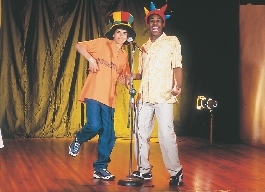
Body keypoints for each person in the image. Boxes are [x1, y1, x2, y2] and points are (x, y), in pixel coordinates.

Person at [69, 11, 136, 181]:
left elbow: (124, 78)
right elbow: (79, 46)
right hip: (93, 92)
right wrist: (91, 60)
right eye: (118, 32)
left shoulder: (124, 56)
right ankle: (79, 138)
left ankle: (100, 168)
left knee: (108, 135)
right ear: (113, 33)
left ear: (128, 36)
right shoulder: (101, 43)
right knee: (94, 125)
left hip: (109, 99)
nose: (121, 35)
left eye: (125, 33)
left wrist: (131, 87)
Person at [126, 2, 183, 186]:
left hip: (164, 95)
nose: (155, 23)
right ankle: (144, 170)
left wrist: (178, 85)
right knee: (140, 133)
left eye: (158, 20)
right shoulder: (144, 47)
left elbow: (177, 66)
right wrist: (130, 76)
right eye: (152, 21)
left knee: (166, 135)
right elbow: (142, 73)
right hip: (145, 96)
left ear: (163, 23)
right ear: (148, 24)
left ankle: (176, 172)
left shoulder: (172, 41)